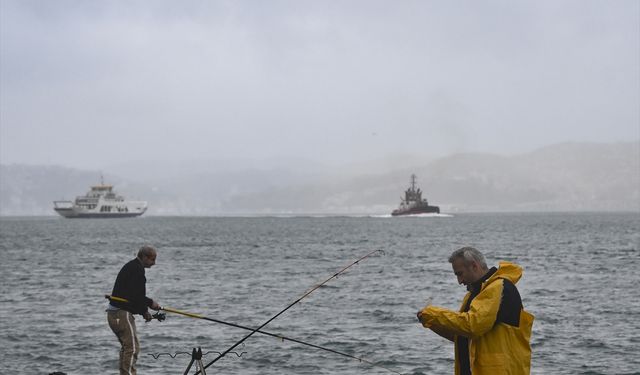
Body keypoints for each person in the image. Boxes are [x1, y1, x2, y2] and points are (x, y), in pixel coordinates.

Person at [416, 246, 534, 375]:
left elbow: (473, 325)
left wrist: (434, 313)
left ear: (474, 266)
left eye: (460, 274)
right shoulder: (474, 295)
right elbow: (462, 335)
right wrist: (432, 322)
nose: (459, 281)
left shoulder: (498, 287)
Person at [107, 245, 161, 375]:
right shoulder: (137, 270)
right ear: (144, 257)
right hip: (121, 314)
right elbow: (137, 296)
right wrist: (150, 303)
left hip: (114, 314)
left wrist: (144, 312)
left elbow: (131, 296)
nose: (154, 263)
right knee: (132, 348)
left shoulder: (132, 267)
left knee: (127, 348)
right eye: (152, 259)